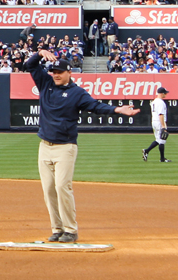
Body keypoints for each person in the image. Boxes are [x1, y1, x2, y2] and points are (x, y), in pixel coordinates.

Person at [25, 51, 138, 242]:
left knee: (62, 187)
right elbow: (30, 65)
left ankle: (70, 229)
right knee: (49, 190)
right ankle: (57, 228)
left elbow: (95, 106)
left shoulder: (77, 93)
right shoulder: (46, 84)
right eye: (53, 71)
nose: (56, 74)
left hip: (65, 147)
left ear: (70, 72)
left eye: (60, 71)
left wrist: (117, 109)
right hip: (44, 146)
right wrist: (39, 53)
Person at [142, 87, 171, 163]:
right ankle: (150, 152)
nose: (166, 94)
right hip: (159, 122)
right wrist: (163, 126)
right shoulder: (161, 102)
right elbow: (160, 114)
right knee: (161, 140)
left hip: (154, 121)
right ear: (161, 93)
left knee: (159, 140)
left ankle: (159, 157)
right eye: (165, 93)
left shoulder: (154, 101)